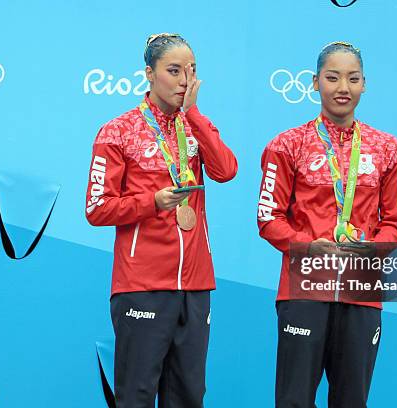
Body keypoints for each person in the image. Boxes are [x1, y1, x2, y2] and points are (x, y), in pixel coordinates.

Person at [85, 33, 237, 408]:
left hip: (196, 285)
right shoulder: (118, 131)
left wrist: (195, 115)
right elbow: (97, 208)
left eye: (192, 71)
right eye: (174, 70)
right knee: (136, 395)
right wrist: (152, 202)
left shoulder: (195, 126)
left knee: (189, 396)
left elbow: (226, 170)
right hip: (142, 283)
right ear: (149, 74)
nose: (185, 80)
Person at [257, 41, 397, 407]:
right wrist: (307, 245)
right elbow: (268, 218)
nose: (343, 88)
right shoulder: (287, 144)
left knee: (352, 400)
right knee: (294, 400)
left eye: (352, 79)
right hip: (305, 288)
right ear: (314, 82)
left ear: (364, 84)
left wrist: (373, 249)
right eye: (333, 78)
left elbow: (395, 223)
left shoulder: (387, 147)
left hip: (361, 289)